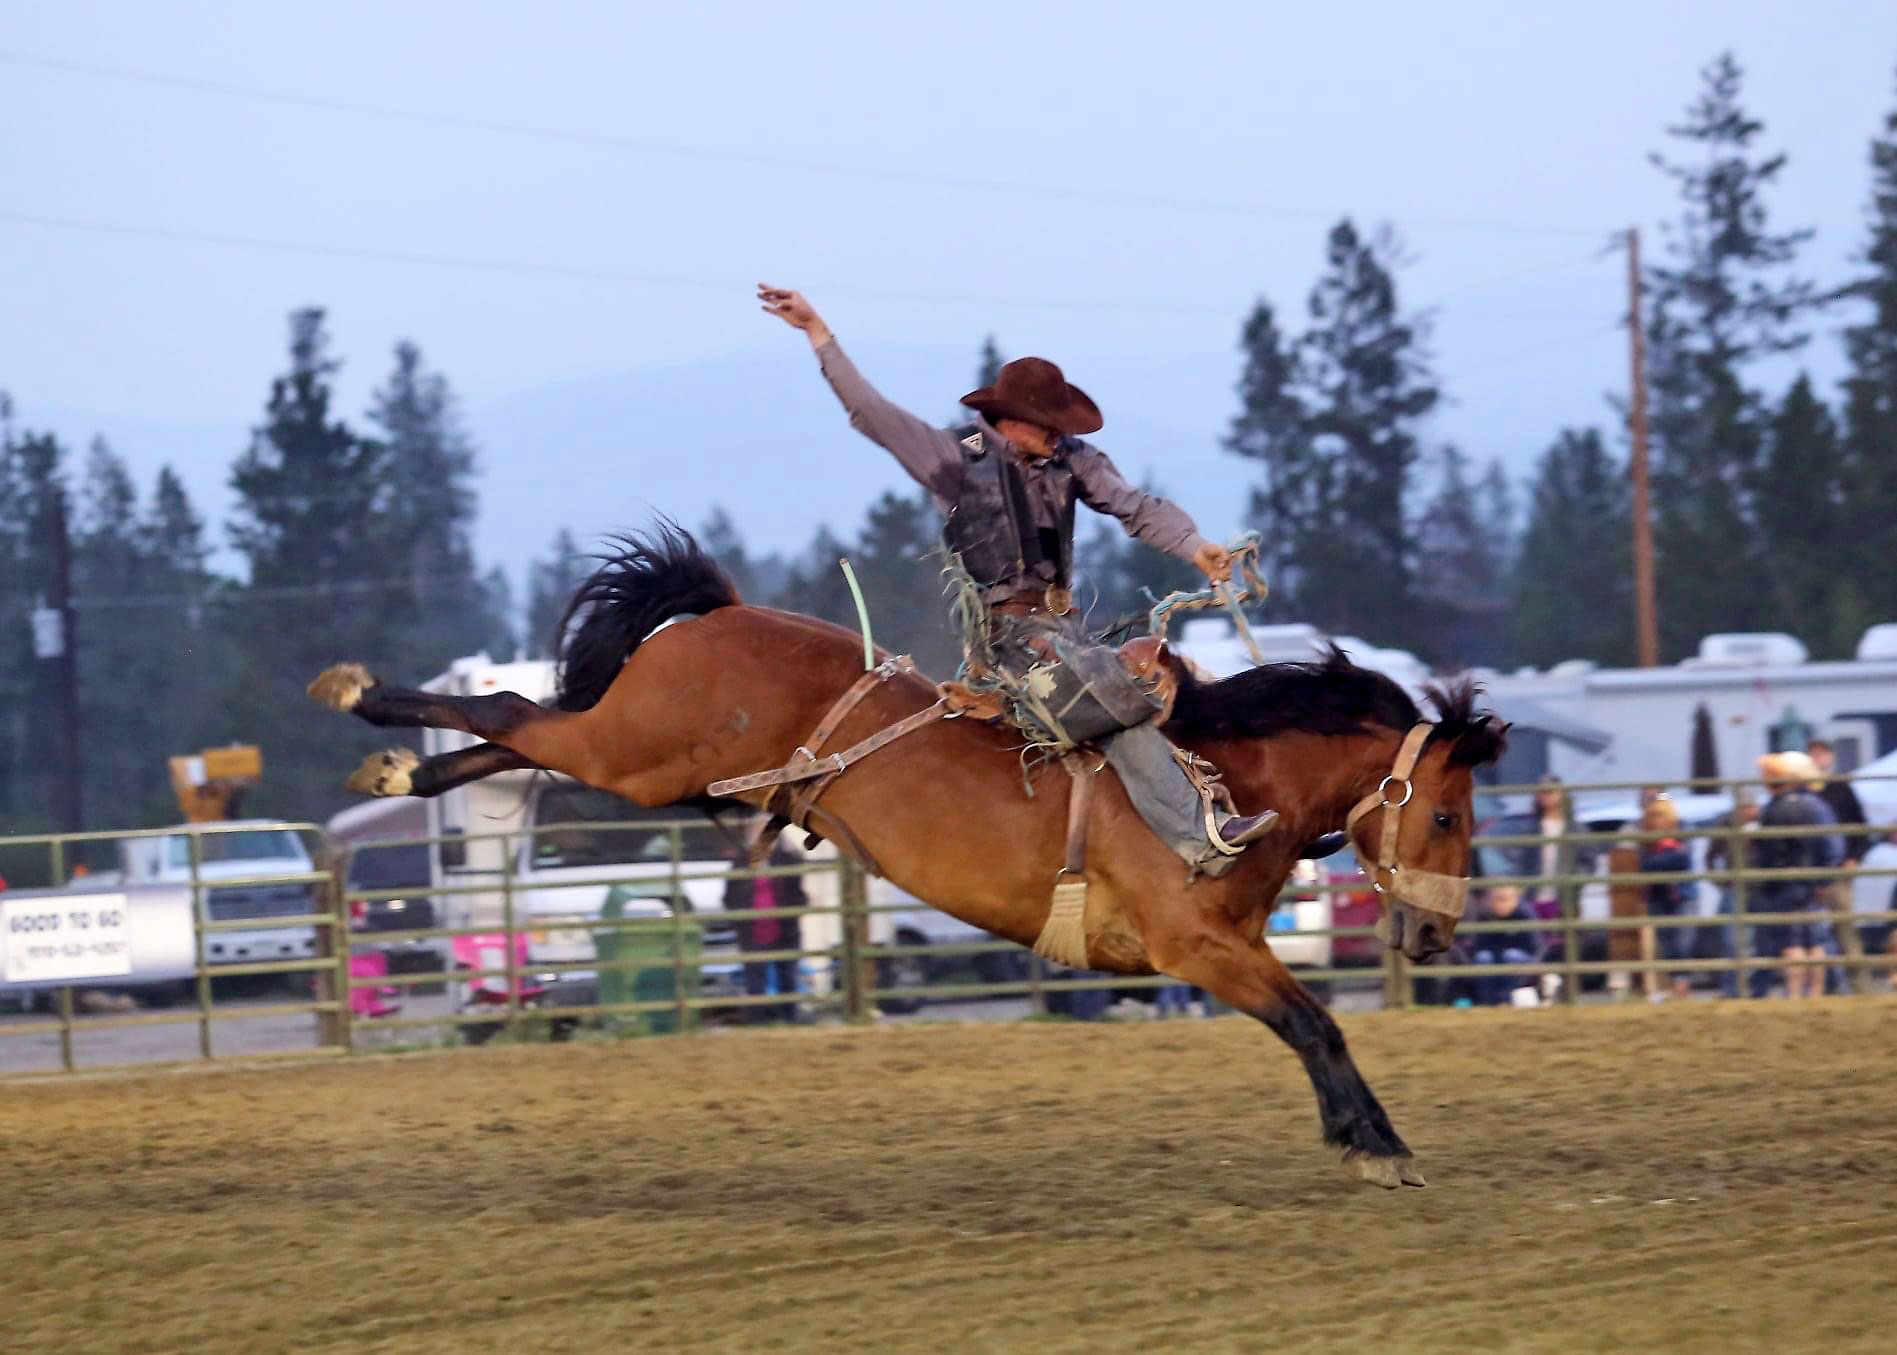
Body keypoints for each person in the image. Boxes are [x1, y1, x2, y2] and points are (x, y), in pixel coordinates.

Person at [760, 285, 1277, 879]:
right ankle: (1199, 836)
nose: (1058, 433)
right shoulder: (956, 456)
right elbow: (872, 415)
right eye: (1047, 423)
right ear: (1013, 420)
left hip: (1065, 630)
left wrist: (1194, 546)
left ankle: (1235, 809)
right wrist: (818, 334)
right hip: (1006, 643)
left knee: (1169, 681)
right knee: (1115, 697)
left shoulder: (1074, 460)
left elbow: (1133, 505)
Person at [1751, 752, 1843, 1000]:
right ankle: (1815, 992)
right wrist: (1823, 879)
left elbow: (1766, 851)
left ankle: (1793, 993)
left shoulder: (1773, 808)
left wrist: (1767, 879)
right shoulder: (1816, 806)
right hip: (1812, 881)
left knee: (1791, 941)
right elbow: (1833, 845)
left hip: (1783, 883)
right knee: (1815, 939)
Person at [1809, 739, 1873, 992]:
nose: (1817, 759)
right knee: (1815, 933)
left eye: (1821, 754)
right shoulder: (1806, 789)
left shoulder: (1840, 787)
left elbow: (1860, 826)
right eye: (1813, 754)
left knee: (1844, 929)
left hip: (1836, 869)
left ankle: (1859, 987)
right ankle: (1826, 987)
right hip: (1812, 871)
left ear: (1830, 757)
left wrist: (1854, 857)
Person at [724, 839, 806, 1024]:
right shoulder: (741, 863)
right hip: (752, 930)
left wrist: (796, 911)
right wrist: (739, 920)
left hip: (784, 928)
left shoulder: (786, 859)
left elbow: (797, 889)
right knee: (755, 978)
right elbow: (730, 896)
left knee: (788, 976)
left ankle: (790, 1018)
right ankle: (757, 1020)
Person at [1637, 797, 1695, 1000]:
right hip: (1659, 899)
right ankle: (1678, 988)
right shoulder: (1648, 844)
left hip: (1679, 898)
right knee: (1668, 947)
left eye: (1660, 816)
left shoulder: (1680, 837)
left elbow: (1681, 861)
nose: (1656, 821)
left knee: (1681, 946)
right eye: (1653, 816)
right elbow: (1644, 865)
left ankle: (1681, 988)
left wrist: (1657, 861)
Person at [1468, 885, 1542, 1006]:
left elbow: (1536, 945)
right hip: (1493, 956)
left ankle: (1508, 1000)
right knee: (1483, 958)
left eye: (1505, 899)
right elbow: (1478, 944)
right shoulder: (1484, 915)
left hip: (1521, 957)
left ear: (1516, 899)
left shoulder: (1525, 913)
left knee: (1511, 956)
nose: (1501, 904)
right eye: (1497, 899)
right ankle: (1486, 1002)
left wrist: (1537, 964)